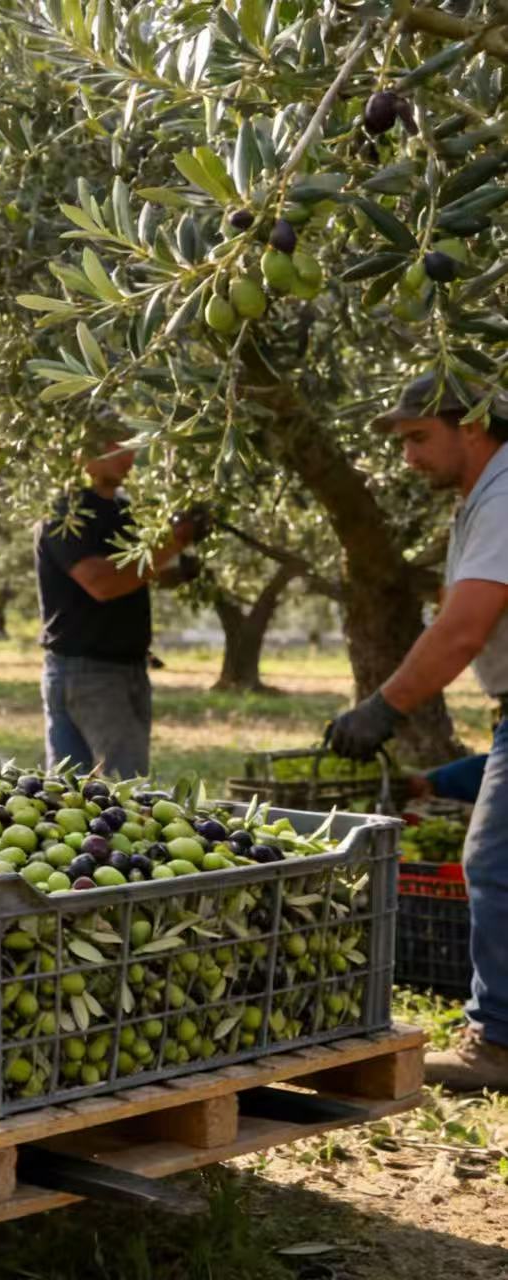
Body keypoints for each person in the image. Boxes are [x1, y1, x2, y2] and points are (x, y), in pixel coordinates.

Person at [329, 371, 508, 1091]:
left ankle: (496, 1043)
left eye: (416, 438)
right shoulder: (480, 499)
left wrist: (385, 707)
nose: (406, 457)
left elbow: (463, 627)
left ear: (471, 426)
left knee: (493, 865)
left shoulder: (502, 495)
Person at [35, 427, 204, 778]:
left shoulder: (123, 511)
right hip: (90, 673)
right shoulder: (65, 513)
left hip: (118, 669)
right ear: (83, 451)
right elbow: (102, 583)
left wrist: (180, 566)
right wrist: (174, 542)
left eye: (132, 446)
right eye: (117, 446)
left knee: (69, 793)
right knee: (122, 787)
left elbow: (138, 572)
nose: (129, 456)